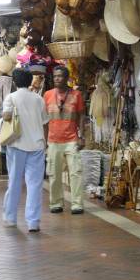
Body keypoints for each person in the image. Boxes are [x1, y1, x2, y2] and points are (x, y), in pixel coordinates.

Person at [1, 67, 49, 232]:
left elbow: (6, 116)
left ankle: (10, 218)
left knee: (14, 182)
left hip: (17, 145)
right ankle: (33, 222)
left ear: (14, 82)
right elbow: (45, 122)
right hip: (37, 145)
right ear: (29, 82)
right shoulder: (38, 99)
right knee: (35, 184)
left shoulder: (11, 97)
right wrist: (45, 142)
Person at [44, 65, 86, 214]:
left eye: (60, 76)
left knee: (75, 172)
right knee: (54, 174)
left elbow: (81, 116)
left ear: (67, 78)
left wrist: (81, 136)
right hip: (53, 140)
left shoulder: (76, 95)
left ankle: (77, 204)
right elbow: (44, 120)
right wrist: (44, 141)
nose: (57, 79)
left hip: (72, 139)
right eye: (55, 76)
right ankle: (56, 203)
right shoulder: (48, 95)